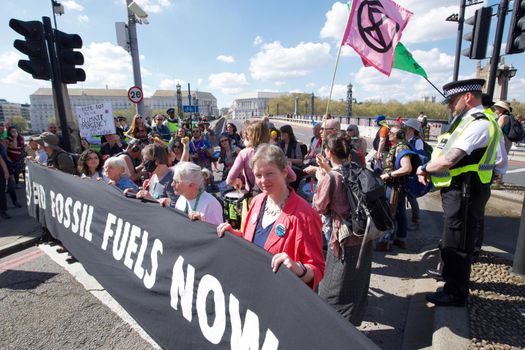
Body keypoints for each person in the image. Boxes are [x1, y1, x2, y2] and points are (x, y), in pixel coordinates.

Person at [417, 78, 507, 307]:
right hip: (462, 189)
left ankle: (455, 293)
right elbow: (499, 161)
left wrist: (424, 168)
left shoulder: (478, 123)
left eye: (452, 100)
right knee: (453, 236)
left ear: (467, 97)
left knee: (458, 241)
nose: (449, 106)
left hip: (465, 190)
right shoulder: (472, 120)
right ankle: (450, 278)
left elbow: (451, 158)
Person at [217, 144, 325, 289]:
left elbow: (317, 269)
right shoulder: (256, 202)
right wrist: (234, 235)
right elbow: (254, 242)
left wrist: (298, 269)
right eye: (258, 175)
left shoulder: (305, 215)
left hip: (281, 296)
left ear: (285, 172)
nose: (263, 181)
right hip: (254, 287)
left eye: (269, 174)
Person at [312, 131, 373, 326]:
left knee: (333, 288)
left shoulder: (331, 178)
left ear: (328, 152)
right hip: (364, 236)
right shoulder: (358, 168)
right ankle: (353, 322)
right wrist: (327, 170)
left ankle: (335, 329)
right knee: (356, 284)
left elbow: (318, 207)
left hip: (343, 239)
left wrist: (321, 177)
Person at [376, 124, 412, 251]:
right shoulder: (396, 147)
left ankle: (386, 242)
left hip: (394, 186)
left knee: (390, 212)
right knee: (399, 213)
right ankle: (400, 239)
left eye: (392, 132)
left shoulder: (401, 148)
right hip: (396, 186)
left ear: (400, 135)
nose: (389, 134)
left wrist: (389, 175)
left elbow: (407, 168)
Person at [403, 118, 425, 230]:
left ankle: (416, 221)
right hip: (406, 170)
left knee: (411, 196)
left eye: (406, 127)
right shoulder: (407, 138)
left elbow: (420, 157)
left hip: (413, 171)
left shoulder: (418, 141)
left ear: (411, 129)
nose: (405, 128)